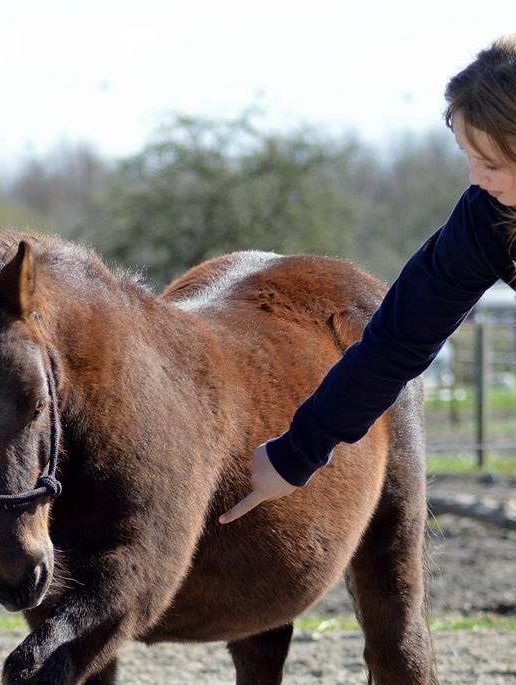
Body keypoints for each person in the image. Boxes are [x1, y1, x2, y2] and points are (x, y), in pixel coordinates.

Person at [219, 35, 516, 525]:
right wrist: (297, 452)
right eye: (467, 156)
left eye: (491, 163)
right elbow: (397, 341)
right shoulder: (486, 216)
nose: (475, 179)